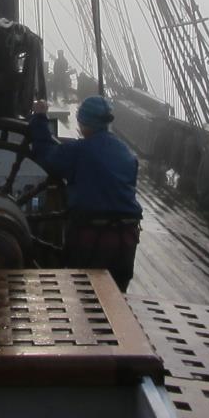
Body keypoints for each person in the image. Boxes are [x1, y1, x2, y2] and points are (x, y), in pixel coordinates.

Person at [28, 96, 142, 291]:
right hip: (126, 240)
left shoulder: (79, 151)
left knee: (84, 298)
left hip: (92, 241)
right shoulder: (127, 153)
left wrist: (39, 118)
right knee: (116, 297)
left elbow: (47, 155)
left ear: (84, 123)